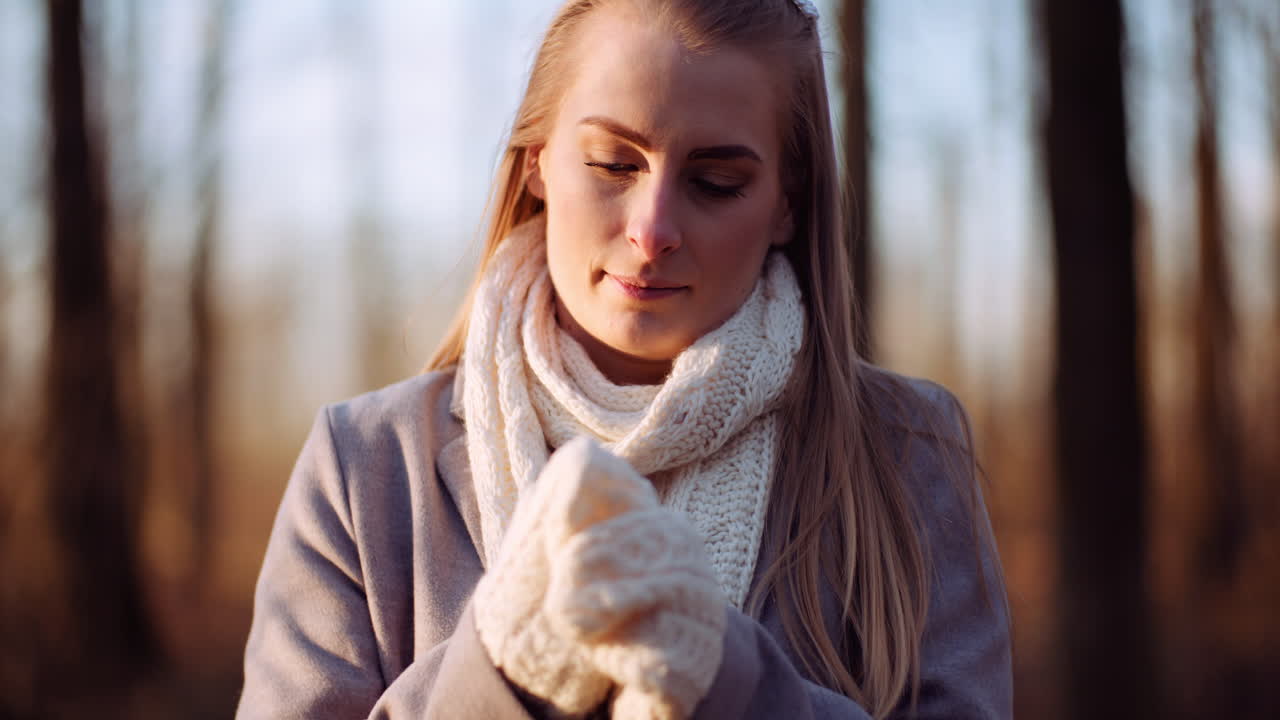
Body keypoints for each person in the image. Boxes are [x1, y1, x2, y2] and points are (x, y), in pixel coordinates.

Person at [236, 0, 1013, 717]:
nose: (653, 228)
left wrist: (731, 680)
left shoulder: (908, 452)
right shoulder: (363, 469)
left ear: (785, 201)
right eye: (614, 163)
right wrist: (506, 667)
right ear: (538, 161)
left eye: (715, 183)